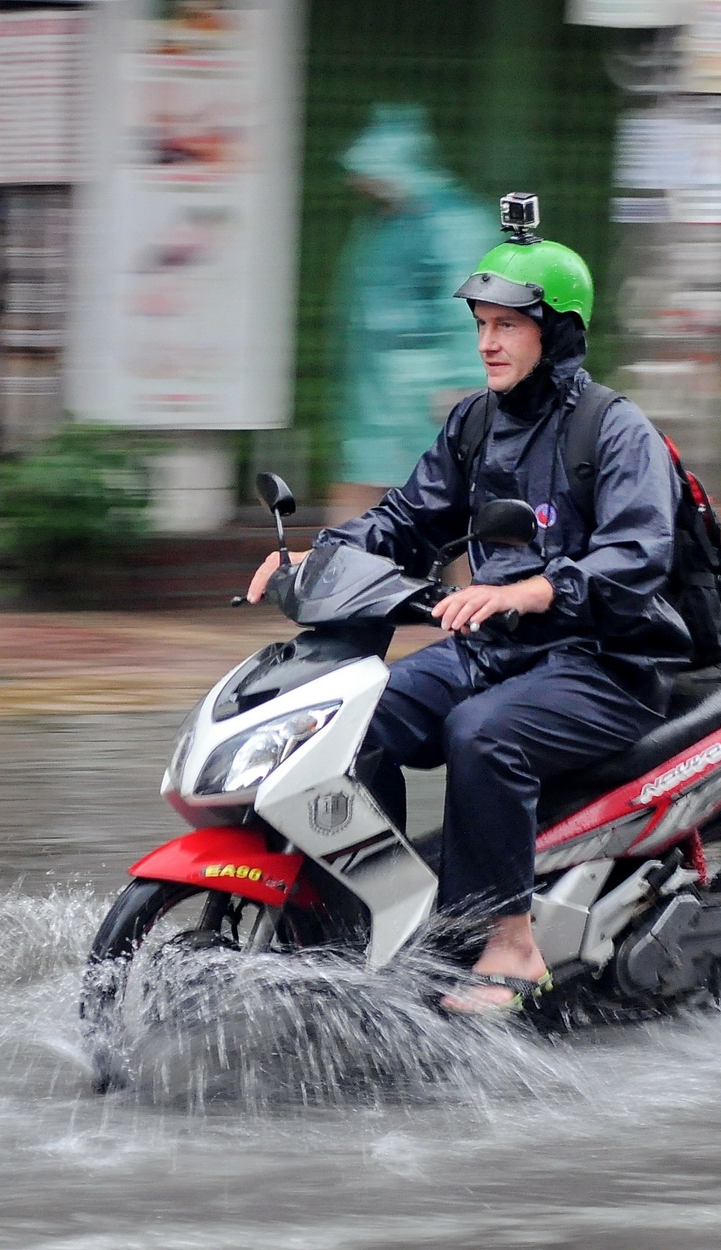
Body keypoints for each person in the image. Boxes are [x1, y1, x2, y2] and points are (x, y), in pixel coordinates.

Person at [248, 212, 691, 1013]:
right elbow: (408, 518)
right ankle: (374, 918)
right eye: (482, 325)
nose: (489, 343)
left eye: (509, 326)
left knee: (481, 733)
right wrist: (320, 556)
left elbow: (638, 556)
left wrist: (533, 590)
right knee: (353, 717)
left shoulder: (616, 430)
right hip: (502, 648)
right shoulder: (476, 423)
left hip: (606, 662)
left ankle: (511, 941)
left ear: (555, 333)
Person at [328, 106, 498, 525]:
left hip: (428, 398)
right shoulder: (382, 224)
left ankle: (466, 591)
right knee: (366, 498)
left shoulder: (450, 222)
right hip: (376, 398)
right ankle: (343, 587)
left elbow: (470, 303)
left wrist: (464, 379)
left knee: (452, 508)